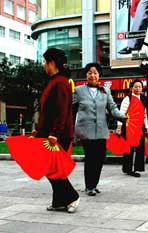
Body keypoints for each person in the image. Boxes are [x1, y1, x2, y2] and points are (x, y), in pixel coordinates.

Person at [34, 48, 79, 213]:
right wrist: (39, 132)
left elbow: (62, 112)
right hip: (51, 133)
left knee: (54, 169)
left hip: (58, 135)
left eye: (45, 62)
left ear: (52, 62)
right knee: (51, 169)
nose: (44, 65)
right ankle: (59, 201)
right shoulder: (55, 81)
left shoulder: (60, 82)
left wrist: (55, 133)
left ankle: (72, 196)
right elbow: (48, 112)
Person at [73, 63, 125, 196]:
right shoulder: (79, 91)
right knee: (91, 158)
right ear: (86, 75)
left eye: (95, 73)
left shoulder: (105, 91)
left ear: (99, 75)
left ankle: (94, 184)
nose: (93, 75)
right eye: (90, 73)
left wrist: (121, 116)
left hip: (101, 130)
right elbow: (70, 109)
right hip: (86, 130)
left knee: (100, 158)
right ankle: (89, 186)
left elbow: (112, 107)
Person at [116, 79, 148, 177]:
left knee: (140, 148)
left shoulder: (143, 99)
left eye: (140, 87)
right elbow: (121, 114)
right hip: (129, 127)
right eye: (136, 86)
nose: (138, 88)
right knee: (129, 148)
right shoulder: (127, 99)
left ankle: (137, 168)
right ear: (131, 88)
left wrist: (147, 128)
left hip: (140, 127)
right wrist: (119, 127)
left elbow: (145, 115)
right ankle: (128, 168)